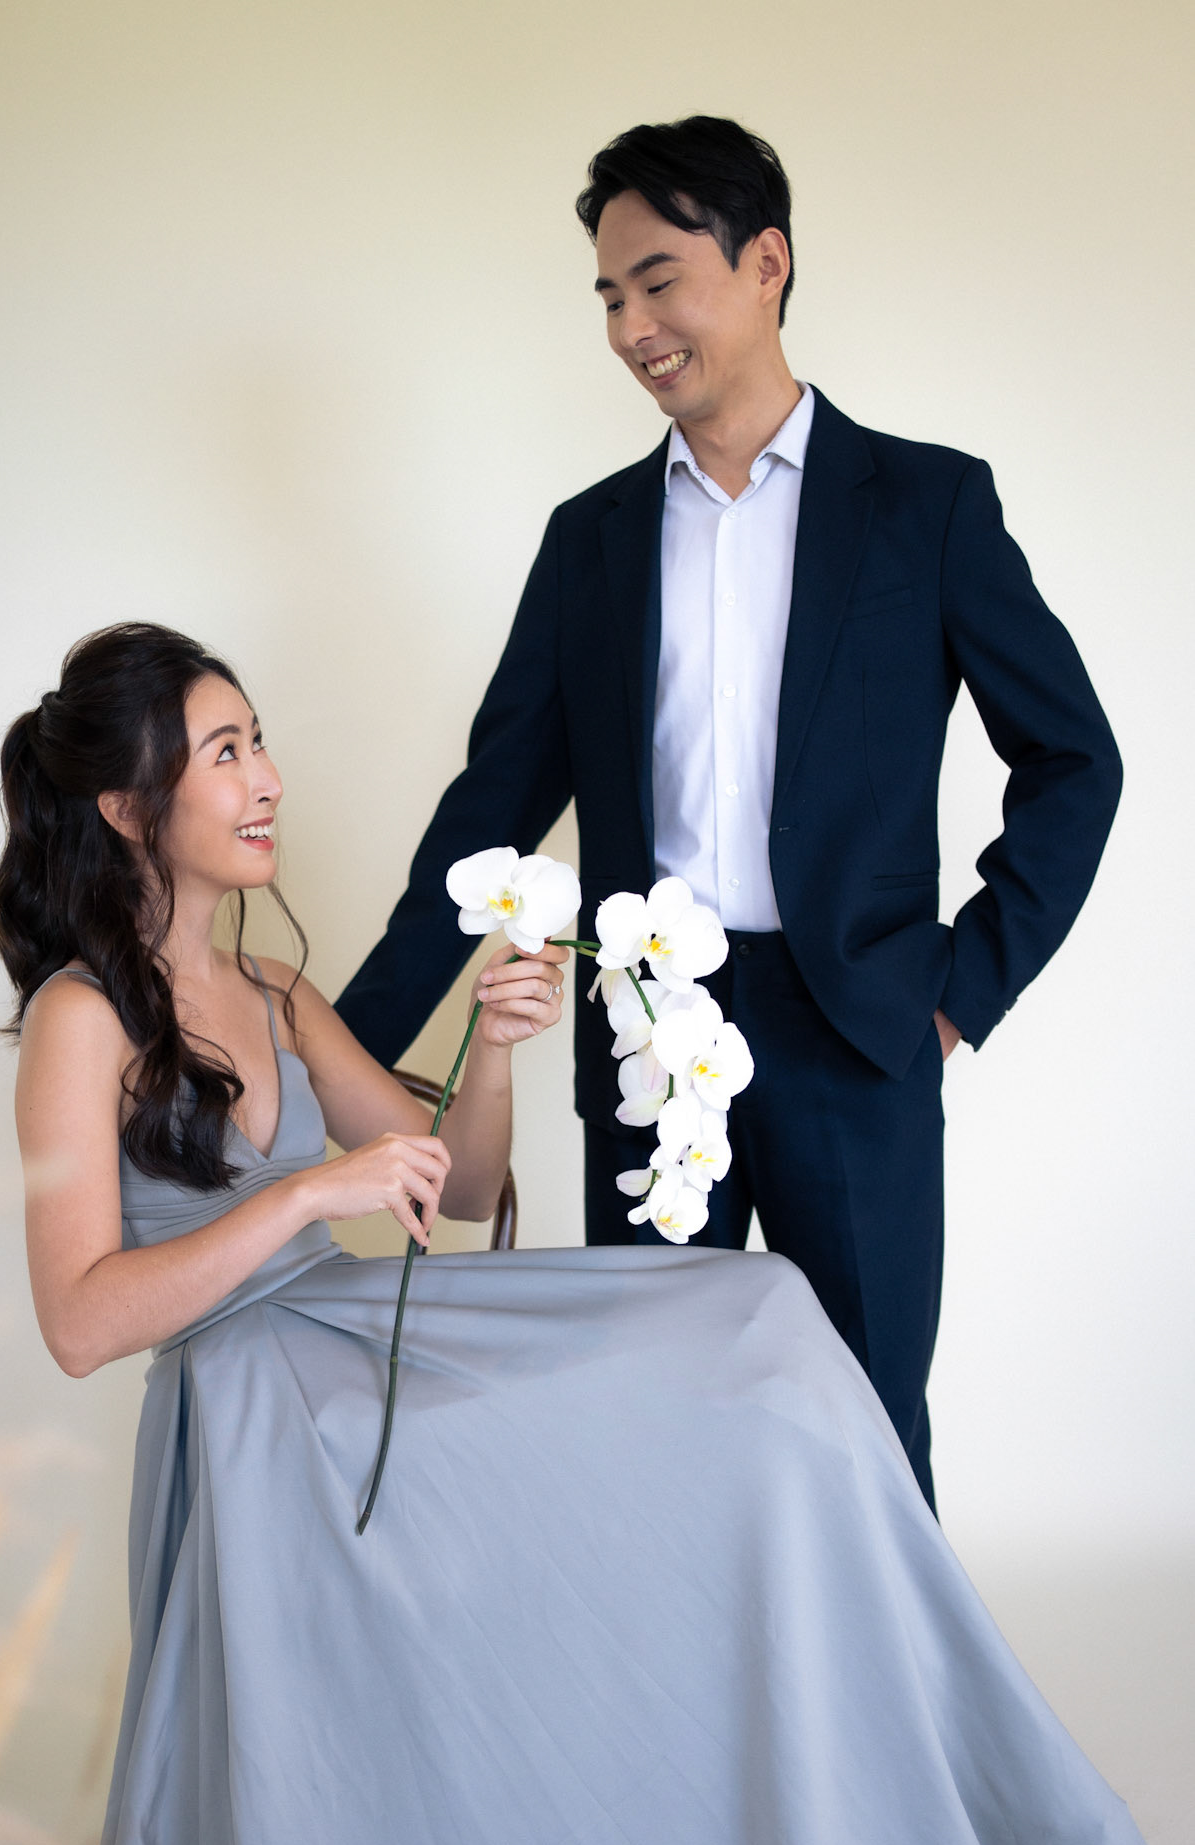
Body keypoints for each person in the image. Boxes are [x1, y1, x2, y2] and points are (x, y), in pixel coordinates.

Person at [0, 622, 1186, 1845]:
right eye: (226, 752)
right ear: (130, 806)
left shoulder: (275, 992)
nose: (268, 781)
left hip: (353, 1333)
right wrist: (306, 1193)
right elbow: (80, 1321)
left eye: (260, 743)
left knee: (758, 1317)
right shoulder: (80, 1016)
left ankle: (826, 1809)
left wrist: (493, 1044)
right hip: (255, 1409)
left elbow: (462, 1186)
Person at [334, 116, 1124, 1514]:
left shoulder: (927, 506)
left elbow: (1074, 758)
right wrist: (333, 1051)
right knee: (648, 1436)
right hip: (646, 1034)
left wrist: (955, 992)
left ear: (766, 264)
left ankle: (874, 1673)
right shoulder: (589, 539)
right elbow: (487, 816)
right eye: (608, 297)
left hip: (859, 1035)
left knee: (863, 1440)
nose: (631, 328)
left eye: (658, 282)